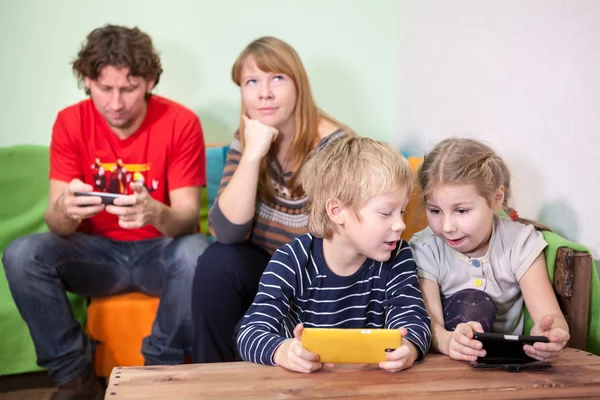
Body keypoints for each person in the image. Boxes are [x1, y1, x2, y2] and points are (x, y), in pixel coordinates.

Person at [2, 25, 209, 400]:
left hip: (160, 256)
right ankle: (75, 380)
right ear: (87, 80)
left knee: (200, 251)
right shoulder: (70, 121)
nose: (115, 103)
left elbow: (186, 218)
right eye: (104, 88)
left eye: (128, 89)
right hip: (96, 256)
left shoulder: (181, 122)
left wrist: (154, 212)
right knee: (21, 254)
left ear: (149, 82)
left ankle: (158, 375)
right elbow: (56, 225)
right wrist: (65, 208)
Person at [191, 36, 351, 363]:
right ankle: (214, 382)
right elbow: (226, 232)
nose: (264, 92)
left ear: (298, 85)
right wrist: (252, 154)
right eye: (252, 82)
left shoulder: (336, 147)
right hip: (264, 270)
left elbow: (339, 242)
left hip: (315, 278)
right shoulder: (250, 138)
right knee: (217, 262)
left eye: (277, 78)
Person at [236, 136, 431, 372]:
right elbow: (250, 332)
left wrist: (408, 348)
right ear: (337, 211)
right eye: (386, 212)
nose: (400, 225)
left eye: (401, 211)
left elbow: (413, 317)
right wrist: (284, 351)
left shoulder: (398, 256)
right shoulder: (291, 261)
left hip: (371, 385)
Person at [409, 138, 570, 364]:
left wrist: (550, 337)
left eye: (462, 210)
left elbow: (550, 318)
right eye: (435, 210)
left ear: (497, 198)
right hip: (446, 367)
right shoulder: (425, 248)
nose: (447, 227)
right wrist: (448, 341)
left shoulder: (520, 243)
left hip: (505, 368)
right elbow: (431, 325)